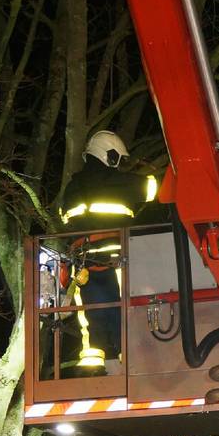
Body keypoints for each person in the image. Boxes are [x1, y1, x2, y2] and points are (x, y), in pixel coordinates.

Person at [58, 130, 159, 375]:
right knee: (124, 308)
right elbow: (154, 190)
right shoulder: (121, 182)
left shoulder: (73, 187)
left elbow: (65, 219)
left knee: (91, 315)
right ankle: (128, 353)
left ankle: (94, 361)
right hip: (118, 259)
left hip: (83, 263)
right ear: (110, 156)